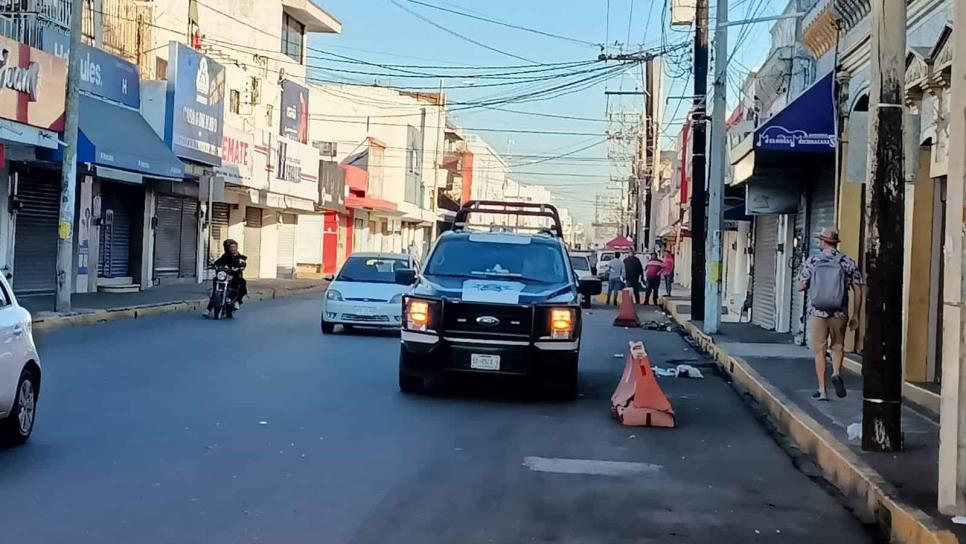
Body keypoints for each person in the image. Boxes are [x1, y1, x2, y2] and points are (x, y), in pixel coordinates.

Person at [796, 228, 863, 401]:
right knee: (838, 346)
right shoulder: (847, 261)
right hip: (839, 312)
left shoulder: (813, 261)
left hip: (818, 312)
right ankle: (835, 372)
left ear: (822, 242)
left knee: (819, 350)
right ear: (835, 242)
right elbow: (859, 289)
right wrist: (856, 314)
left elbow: (801, 286)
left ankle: (822, 390)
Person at [206, 239, 248, 316]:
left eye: (234, 247)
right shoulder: (225, 256)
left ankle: (236, 302)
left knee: (242, 283)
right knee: (215, 289)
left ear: (237, 247)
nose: (232, 248)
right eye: (230, 247)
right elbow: (218, 262)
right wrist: (214, 265)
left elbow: (243, 264)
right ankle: (208, 309)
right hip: (224, 276)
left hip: (234, 277)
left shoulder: (240, 258)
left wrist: (240, 267)